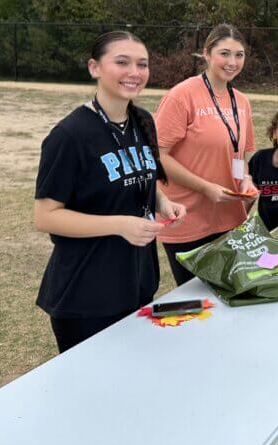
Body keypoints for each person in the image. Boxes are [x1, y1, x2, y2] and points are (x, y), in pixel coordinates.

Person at [34, 31, 186, 353]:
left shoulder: (143, 121)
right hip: (86, 295)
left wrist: (162, 201)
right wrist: (119, 225)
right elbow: (45, 216)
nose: (134, 72)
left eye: (142, 64)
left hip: (136, 282)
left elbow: (141, 175)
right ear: (95, 68)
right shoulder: (69, 135)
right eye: (122, 62)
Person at [154, 24, 258, 286]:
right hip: (186, 217)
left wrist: (245, 179)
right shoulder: (182, 95)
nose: (232, 62)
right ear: (207, 54)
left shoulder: (241, 101)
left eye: (239, 55)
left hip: (229, 216)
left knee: (231, 292)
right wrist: (204, 187)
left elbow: (239, 153)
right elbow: (158, 156)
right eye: (224, 53)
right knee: (199, 298)